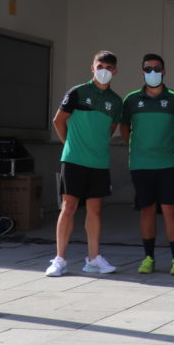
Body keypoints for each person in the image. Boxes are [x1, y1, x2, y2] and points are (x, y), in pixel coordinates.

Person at [46, 50, 124, 277]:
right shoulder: (77, 92)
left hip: (98, 162)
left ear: (115, 71)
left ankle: (93, 259)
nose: (104, 71)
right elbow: (58, 121)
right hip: (74, 160)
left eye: (109, 68)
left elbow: (109, 130)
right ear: (92, 68)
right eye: (100, 67)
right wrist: (70, 145)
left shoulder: (116, 101)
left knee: (95, 210)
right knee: (68, 207)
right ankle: (60, 259)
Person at [119, 53, 174, 275]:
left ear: (164, 71)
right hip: (141, 164)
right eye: (148, 69)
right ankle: (148, 257)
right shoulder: (131, 100)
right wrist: (135, 145)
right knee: (146, 210)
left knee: (170, 210)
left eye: (157, 69)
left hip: (168, 162)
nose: (152, 73)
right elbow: (124, 127)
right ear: (142, 72)